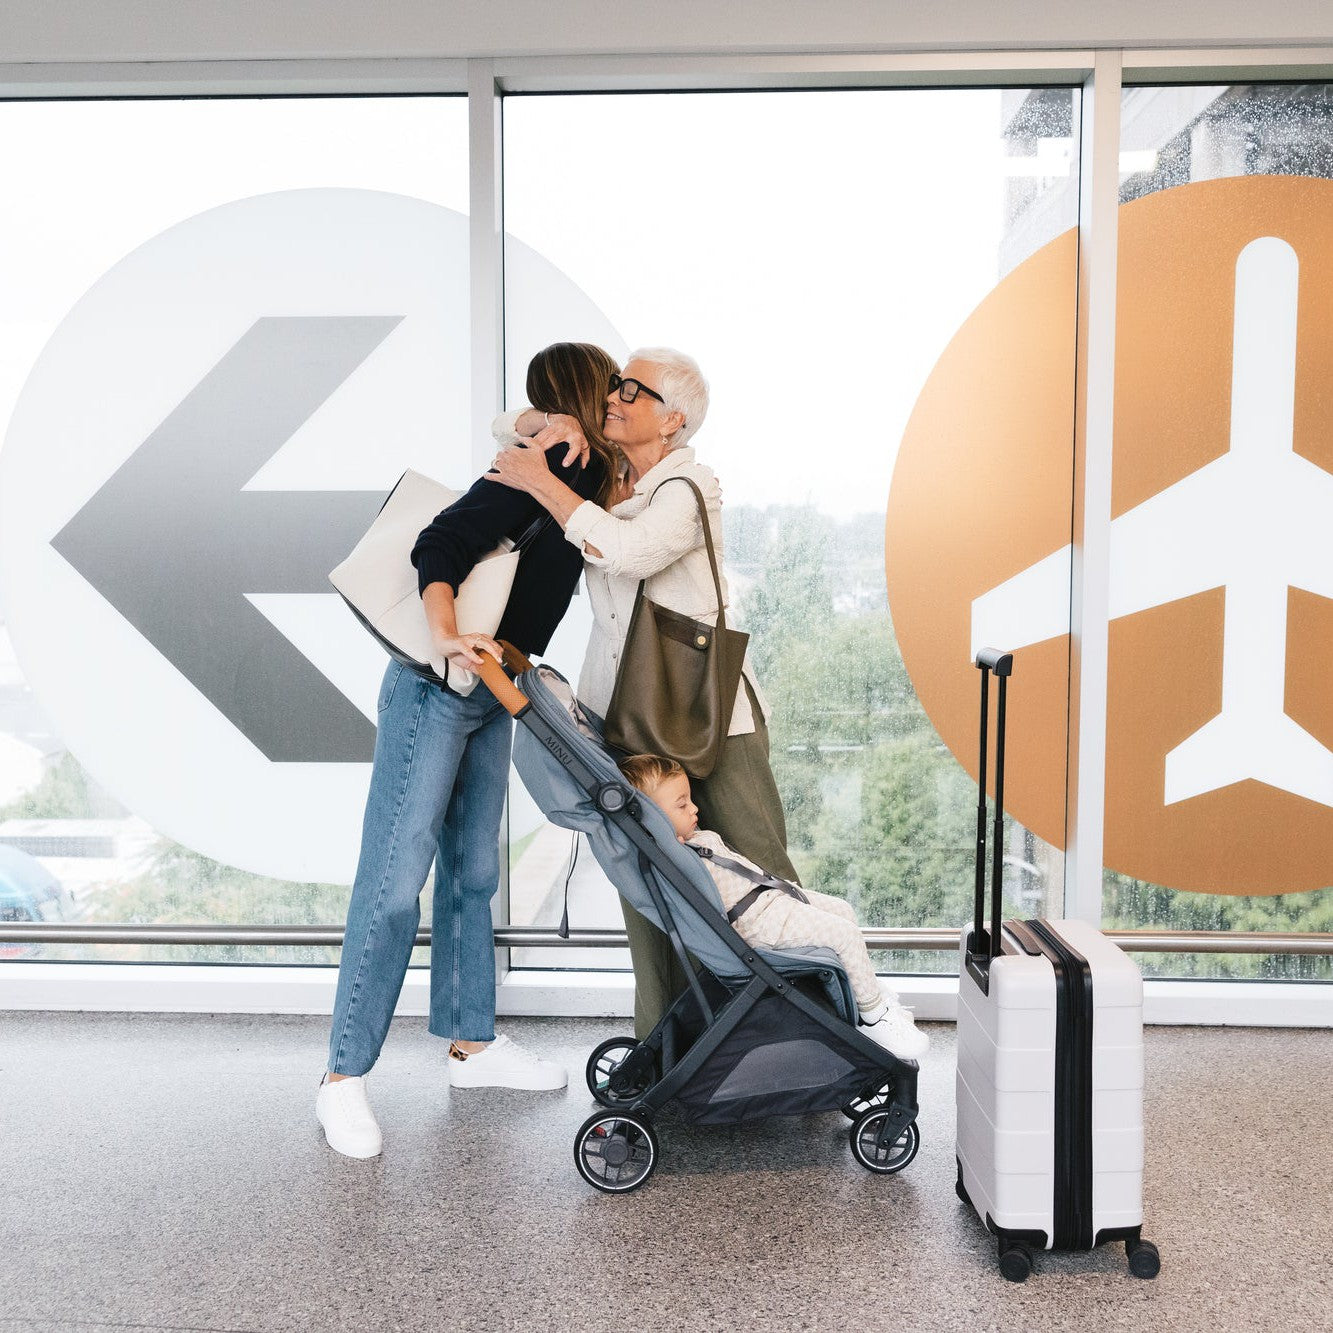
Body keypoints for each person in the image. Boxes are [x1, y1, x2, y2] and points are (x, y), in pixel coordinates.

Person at [317, 342, 620, 1160]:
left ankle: (471, 1044)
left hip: (492, 690)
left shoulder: (577, 468)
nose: (619, 402)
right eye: (611, 389)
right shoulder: (544, 460)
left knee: (473, 873)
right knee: (393, 882)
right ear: (587, 393)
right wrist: (448, 634)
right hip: (435, 686)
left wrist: (530, 422)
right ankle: (342, 1076)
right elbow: (441, 541)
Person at [486, 347, 797, 1040]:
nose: (613, 396)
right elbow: (503, 423)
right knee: (649, 883)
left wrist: (544, 482)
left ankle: (808, 1037)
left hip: (711, 713)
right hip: (624, 712)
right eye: (615, 385)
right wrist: (549, 425)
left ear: (674, 419)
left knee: (759, 871)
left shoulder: (689, 487)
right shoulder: (605, 476)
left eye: (633, 389)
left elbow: (629, 553)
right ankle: (663, 1044)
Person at [618, 753, 929, 1061]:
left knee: (842, 909)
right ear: (653, 818)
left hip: (769, 900)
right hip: (758, 922)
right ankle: (875, 1017)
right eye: (682, 804)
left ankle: (866, 996)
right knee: (844, 935)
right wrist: (662, 839)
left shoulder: (694, 839)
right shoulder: (671, 859)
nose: (694, 808)